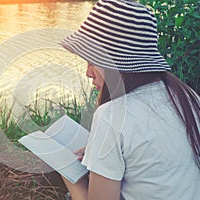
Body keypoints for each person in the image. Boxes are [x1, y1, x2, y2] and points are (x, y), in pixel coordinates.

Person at [59, 0, 200, 199]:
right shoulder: (187, 97)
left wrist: (68, 173)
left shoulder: (112, 116)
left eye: (93, 61)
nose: (88, 72)